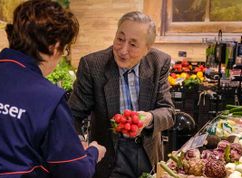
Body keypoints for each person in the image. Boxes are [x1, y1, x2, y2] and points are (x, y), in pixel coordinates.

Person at [0, 0, 106, 177]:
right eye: (65, 49)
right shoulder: (49, 100)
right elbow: (75, 171)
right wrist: (93, 152)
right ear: (54, 46)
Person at [68, 11, 175, 178]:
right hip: (108, 157)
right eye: (120, 39)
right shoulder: (92, 65)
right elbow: (73, 114)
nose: (123, 50)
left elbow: (168, 112)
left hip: (147, 154)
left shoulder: (159, 62)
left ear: (147, 49)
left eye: (133, 44)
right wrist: (80, 141)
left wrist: (148, 118)